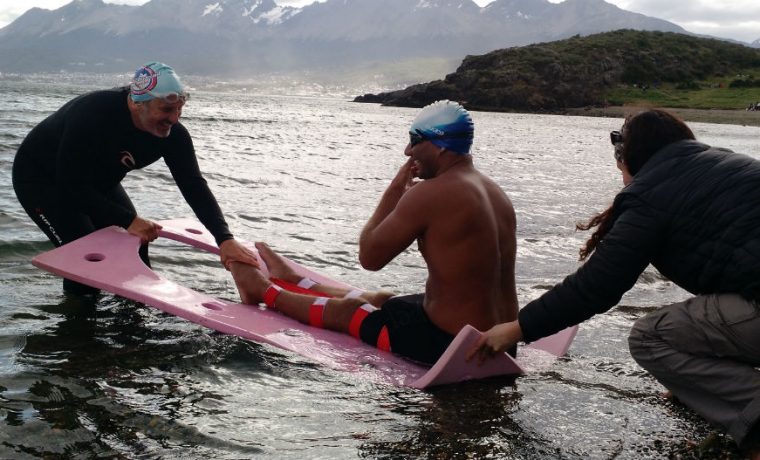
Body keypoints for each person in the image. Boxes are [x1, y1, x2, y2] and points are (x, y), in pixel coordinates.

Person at [468, 108, 760, 458]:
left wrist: (518, 328)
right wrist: (691, 384)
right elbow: (732, 266)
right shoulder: (718, 165)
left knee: (651, 338)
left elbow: (598, 286)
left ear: (629, 157)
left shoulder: (652, 195)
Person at [230, 100, 519, 365]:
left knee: (350, 311)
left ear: (440, 147)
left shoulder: (431, 193)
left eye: (415, 141)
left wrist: (396, 189)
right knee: (384, 298)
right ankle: (295, 279)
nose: (408, 151)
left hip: (448, 347)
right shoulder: (496, 193)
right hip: (503, 340)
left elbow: (369, 257)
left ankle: (264, 291)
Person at [13, 61, 258, 294]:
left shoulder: (173, 135)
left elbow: (193, 185)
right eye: (166, 109)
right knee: (85, 263)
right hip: (42, 181)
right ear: (136, 104)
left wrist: (224, 239)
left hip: (96, 182)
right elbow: (70, 185)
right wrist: (128, 219)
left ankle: (132, 323)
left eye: (180, 109)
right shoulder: (93, 114)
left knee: (136, 244)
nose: (174, 118)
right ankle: (77, 331)